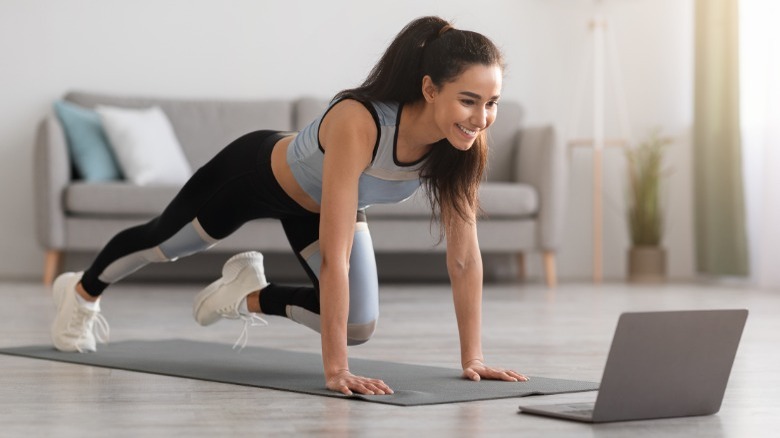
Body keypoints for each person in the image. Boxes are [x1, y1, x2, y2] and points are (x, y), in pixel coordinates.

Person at [49, 15, 528, 396]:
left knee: (359, 324)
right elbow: (336, 256)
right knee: (163, 245)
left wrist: (474, 359)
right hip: (254, 176)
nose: (481, 118)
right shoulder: (359, 121)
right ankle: (81, 295)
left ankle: (245, 294)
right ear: (429, 89)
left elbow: (464, 258)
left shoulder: (461, 148)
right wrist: (337, 370)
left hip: (322, 207)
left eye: (492, 103)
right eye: (469, 101)